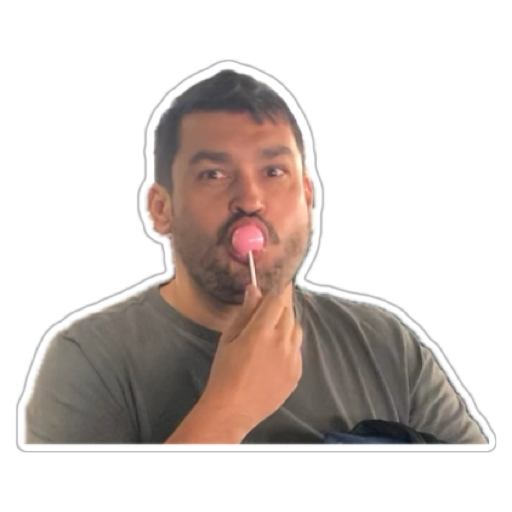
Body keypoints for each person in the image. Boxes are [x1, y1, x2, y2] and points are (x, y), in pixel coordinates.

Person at [18, 62, 491, 445]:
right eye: (214, 174)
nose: (250, 199)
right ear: (161, 209)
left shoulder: (387, 344)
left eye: (273, 171)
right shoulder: (88, 359)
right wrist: (230, 408)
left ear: (308, 195)